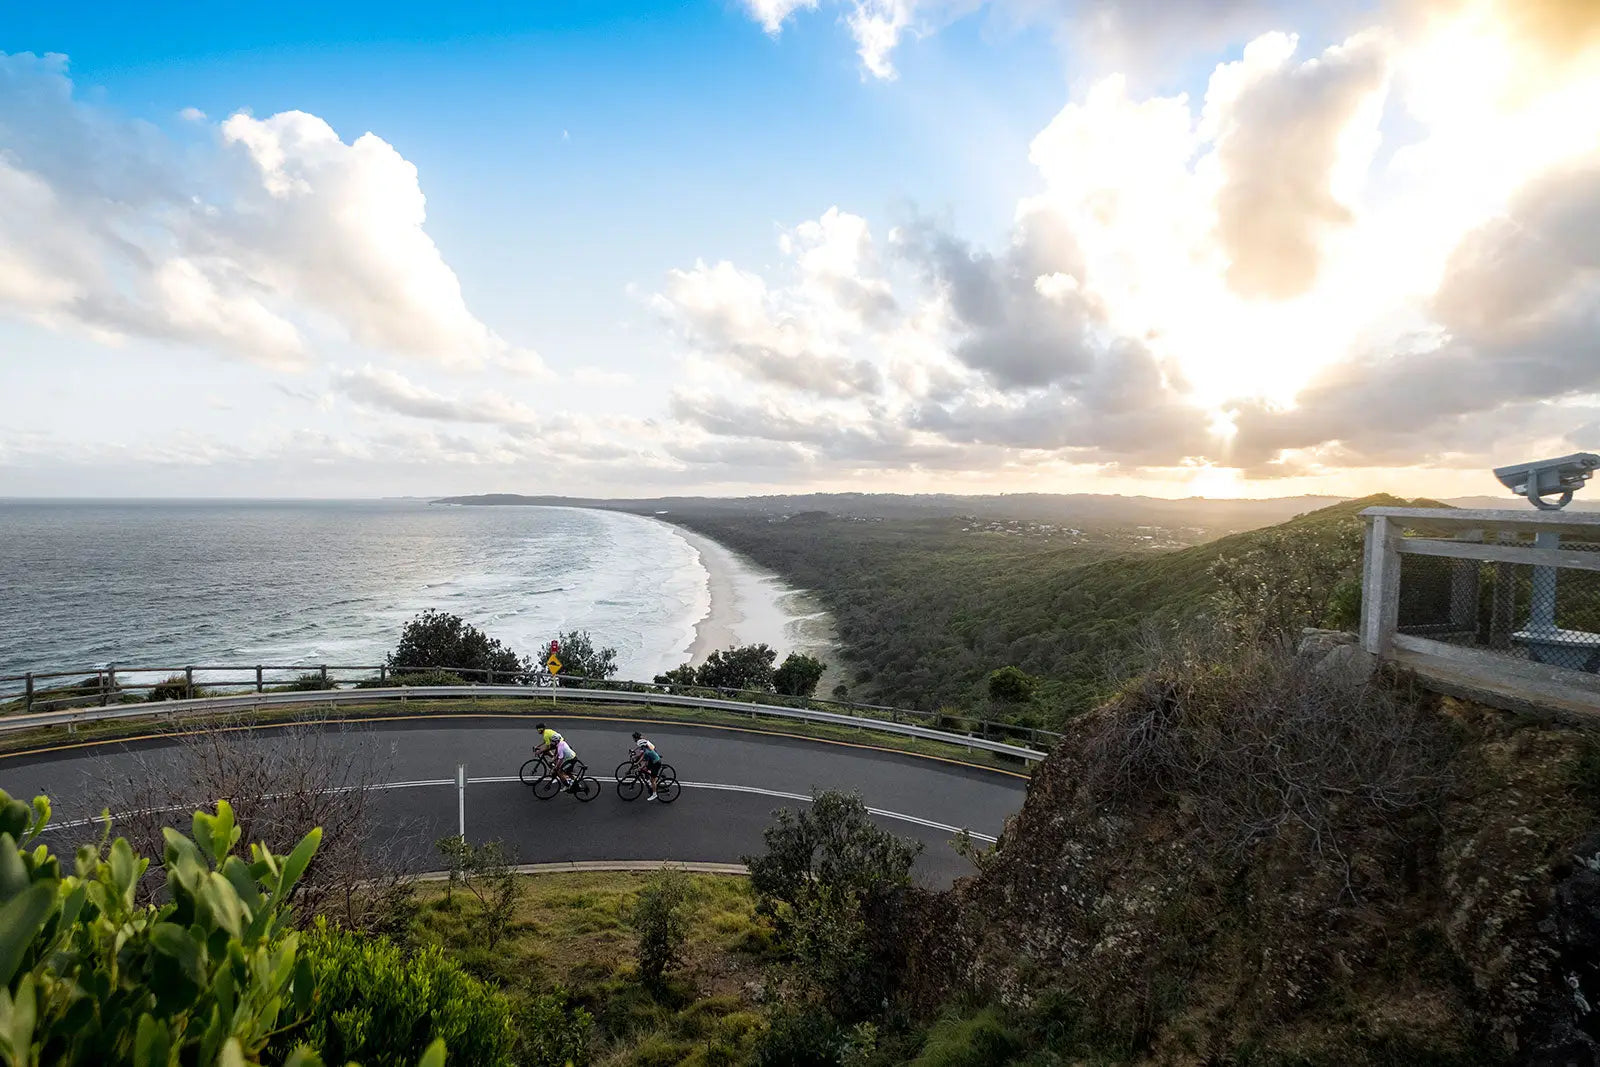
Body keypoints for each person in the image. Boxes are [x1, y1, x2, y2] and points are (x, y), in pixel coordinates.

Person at [631, 730, 664, 800]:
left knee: (652, 780)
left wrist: (639, 768)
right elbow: (643, 757)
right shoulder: (646, 748)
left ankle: (654, 794)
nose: (640, 748)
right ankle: (651, 779)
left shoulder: (647, 752)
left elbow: (644, 760)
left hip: (656, 763)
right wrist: (637, 764)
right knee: (645, 769)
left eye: (640, 747)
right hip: (653, 761)